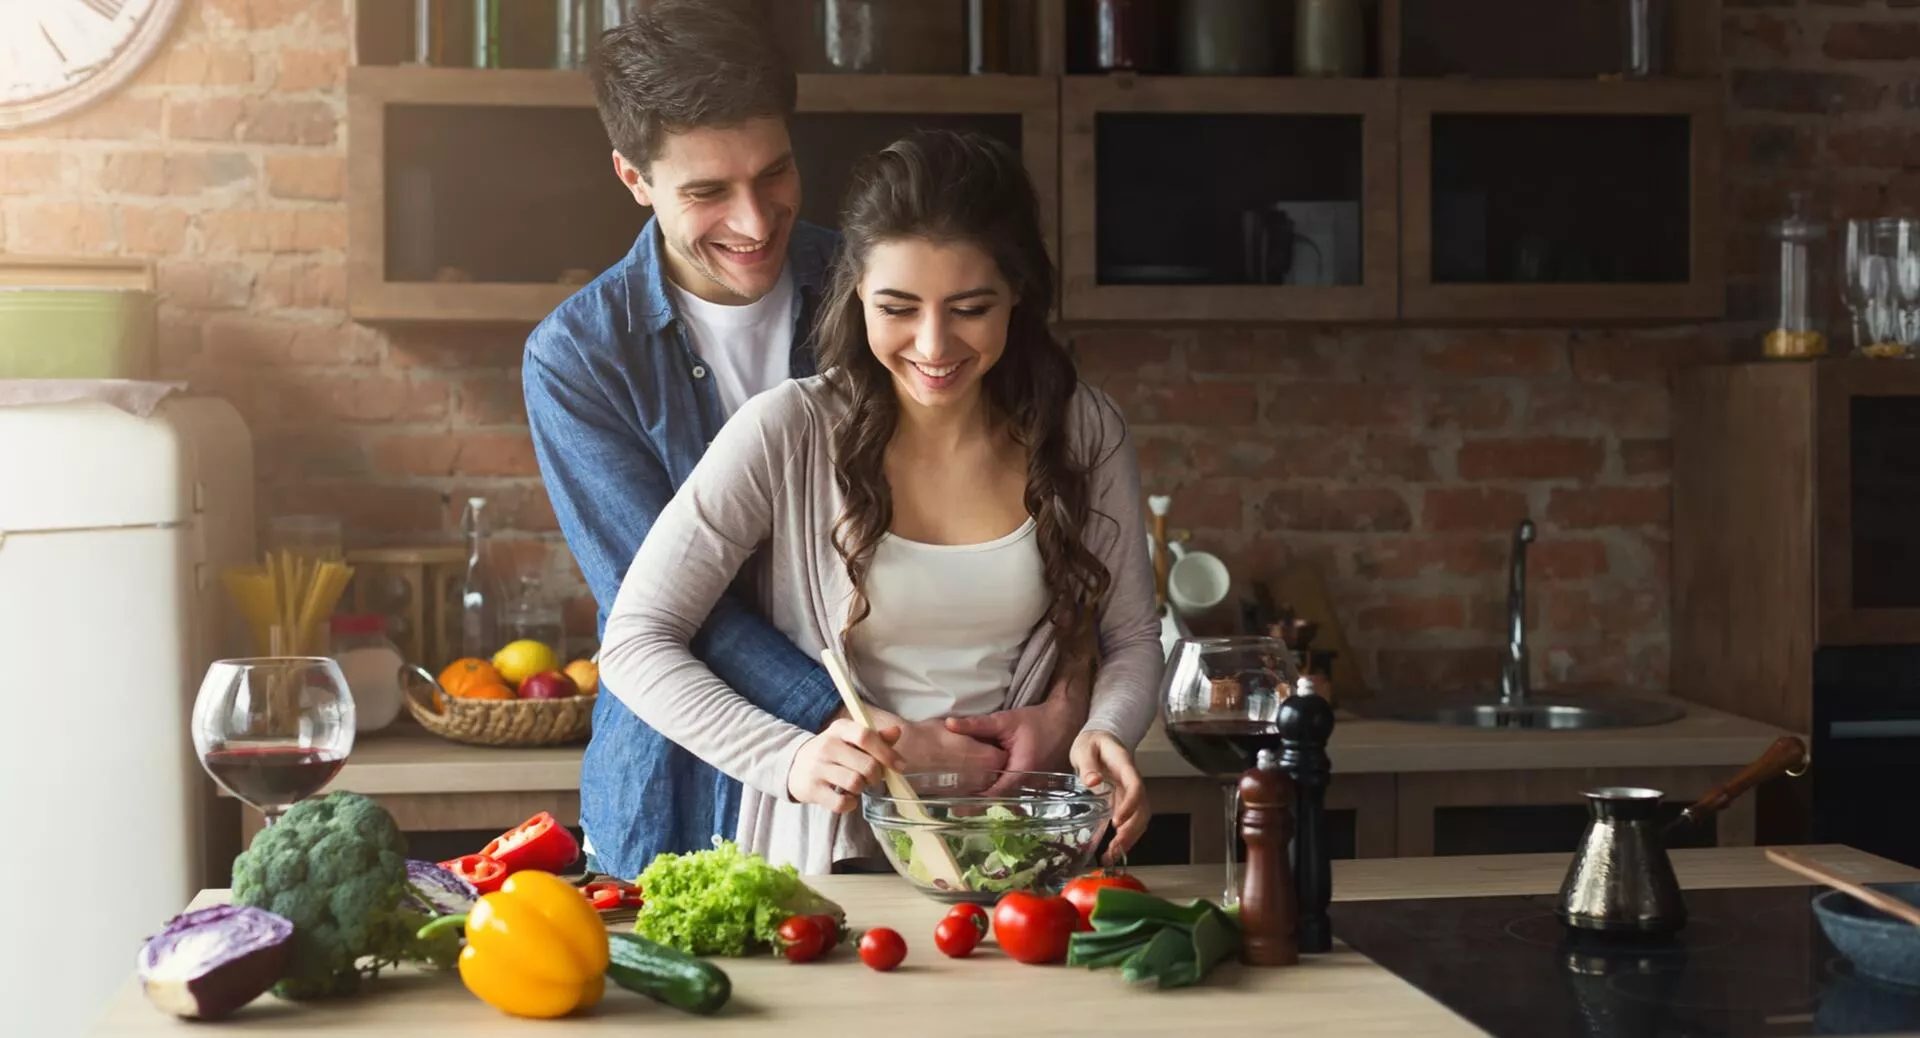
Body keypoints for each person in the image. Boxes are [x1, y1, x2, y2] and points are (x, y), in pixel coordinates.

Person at [523, 0, 1088, 880]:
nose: (754, 222)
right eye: (708, 192)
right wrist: (855, 722)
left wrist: (1064, 706)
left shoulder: (879, 282)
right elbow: (667, 609)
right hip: (684, 783)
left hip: (916, 799)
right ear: (634, 177)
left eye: (775, 173)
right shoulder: (578, 357)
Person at [596, 129, 1163, 875]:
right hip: (835, 863)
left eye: (970, 308)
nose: (933, 345)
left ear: (1016, 294)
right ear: (856, 288)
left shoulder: (1084, 430)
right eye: (898, 307)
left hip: (1032, 857)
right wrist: (791, 758)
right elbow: (636, 642)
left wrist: (1104, 732)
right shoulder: (786, 431)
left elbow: (1132, 640)